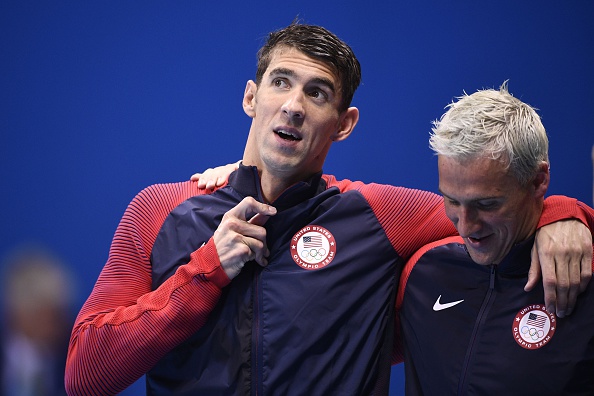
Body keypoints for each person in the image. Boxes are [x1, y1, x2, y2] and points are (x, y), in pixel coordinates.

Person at [65, 23, 591, 395]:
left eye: (317, 93)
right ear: (251, 97)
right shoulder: (161, 209)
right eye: (280, 82)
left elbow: (494, 216)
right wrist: (206, 271)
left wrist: (562, 214)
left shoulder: (379, 215)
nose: (294, 104)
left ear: (345, 123)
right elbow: (85, 376)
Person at [394, 83, 594, 395]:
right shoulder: (422, 270)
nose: (465, 225)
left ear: (539, 180)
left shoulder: (586, 281)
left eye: (486, 204)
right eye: (452, 201)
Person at [1, 245, 76, 396]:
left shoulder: (77, 360)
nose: (59, 323)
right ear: (19, 313)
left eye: (60, 311)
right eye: (48, 314)